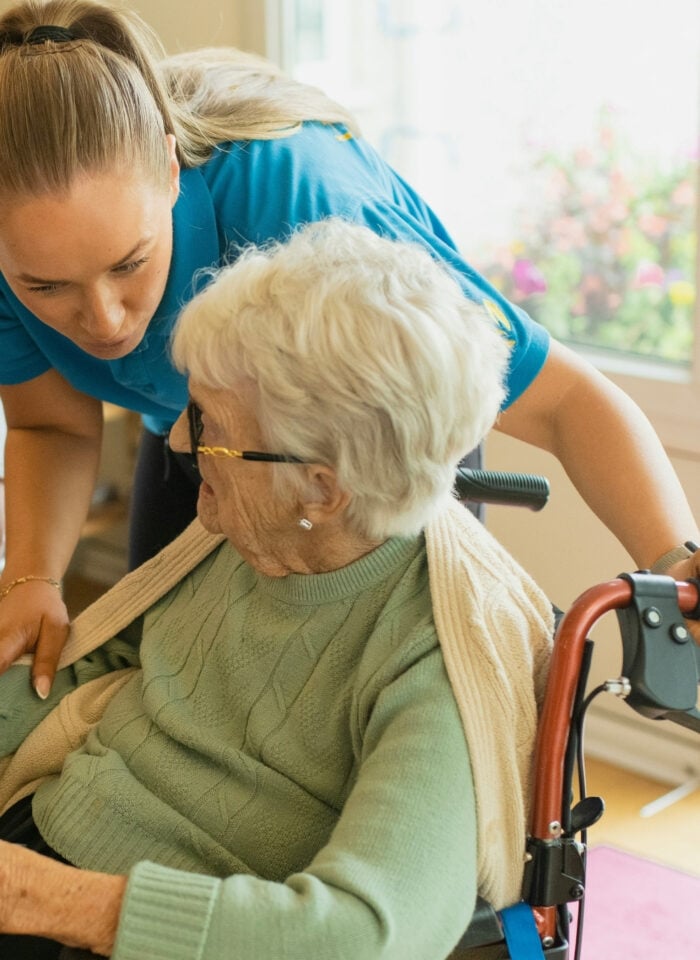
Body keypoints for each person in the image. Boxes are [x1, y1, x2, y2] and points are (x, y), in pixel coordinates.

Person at [0, 0, 697, 702]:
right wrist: (33, 579)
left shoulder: (309, 210)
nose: (104, 321)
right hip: (198, 431)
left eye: (130, 263)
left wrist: (677, 565)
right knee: (169, 680)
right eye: (46, 285)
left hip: (377, 440)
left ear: (172, 169)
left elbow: (567, 402)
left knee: (368, 707)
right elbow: (50, 423)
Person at [0, 219, 554, 959]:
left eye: (210, 425)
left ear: (322, 489)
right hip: (44, 847)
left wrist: (47, 900)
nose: (182, 447)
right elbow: (90, 665)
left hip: (140, 927)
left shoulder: (439, 657)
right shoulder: (256, 533)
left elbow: (363, 935)